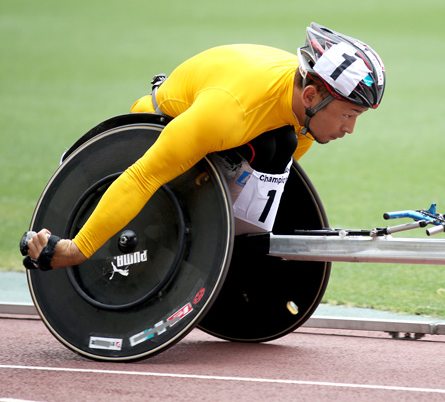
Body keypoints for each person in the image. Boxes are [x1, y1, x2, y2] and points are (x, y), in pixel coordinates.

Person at [23, 23, 386, 270]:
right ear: (310, 95)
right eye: (349, 115)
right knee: (277, 143)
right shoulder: (229, 113)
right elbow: (142, 178)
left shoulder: (302, 109)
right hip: (158, 129)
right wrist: (75, 250)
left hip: (232, 138)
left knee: (280, 144)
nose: (350, 129)